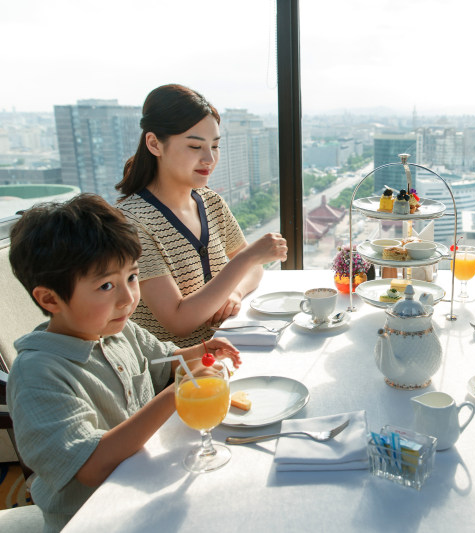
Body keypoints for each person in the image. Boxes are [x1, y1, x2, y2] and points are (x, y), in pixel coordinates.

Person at [6, 194, 242, 532]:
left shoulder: (117, 329)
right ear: (49, 298)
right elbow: (90, 467)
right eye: (106, 286)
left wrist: (202, 349)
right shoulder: (38, 374)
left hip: (142, 488)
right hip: (93, 518)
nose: (128, 297)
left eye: (131, 277)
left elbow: (164, 360)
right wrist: (178, 393)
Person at [116, 84, 287, 347]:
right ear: (154, 144)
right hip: (178, 375)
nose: (209, 158)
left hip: (227, 353)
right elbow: (178, 322)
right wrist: (248, 257)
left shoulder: (210, 201)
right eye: (195, 147)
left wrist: (235, 294)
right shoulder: (132, 223)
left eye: (215, 146)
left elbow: (255, 271)